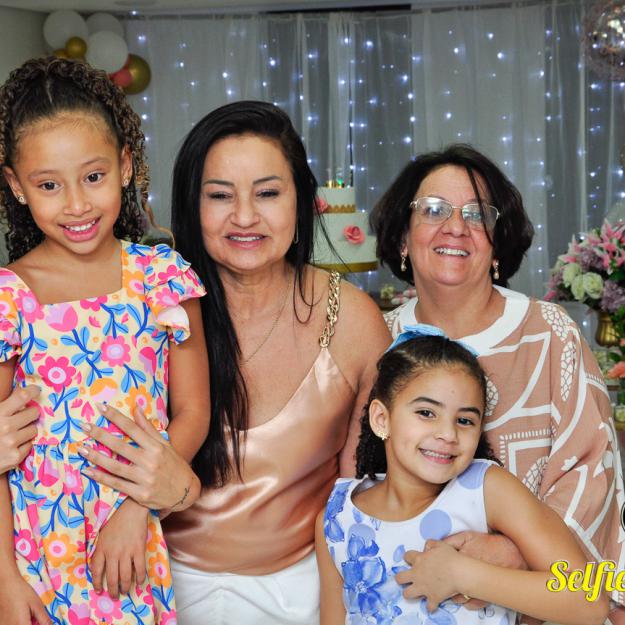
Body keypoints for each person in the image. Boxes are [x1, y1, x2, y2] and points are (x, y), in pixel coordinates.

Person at [60, 100, 391, 624]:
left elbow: (364, 496)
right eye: (219, 195)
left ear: (303, 200)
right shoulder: (143, 307)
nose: (244, 217)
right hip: (148, 584)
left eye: (267, 193)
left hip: (302, 594)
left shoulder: (353, 320)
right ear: (191, 205)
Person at [371, 144, 625, 622]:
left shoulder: (551, 334)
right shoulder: (374, 342)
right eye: (433, 210)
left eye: (477, 214)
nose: (455, 226)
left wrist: (514, 552)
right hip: (404, 597)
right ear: (403, 237)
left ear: (497, 243)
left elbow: (592, 472)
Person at [0, 57, 210, 625]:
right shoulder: (9, 296)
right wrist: (5, 578)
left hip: (128, 546)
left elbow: (192, 412)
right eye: (49, 185)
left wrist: (137, 508)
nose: (76, 204)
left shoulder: (162, 278)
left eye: (93, 177)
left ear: (123, 165)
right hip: (34, 554)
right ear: (17, 186)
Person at [315, 326, 609, 625]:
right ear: (381, 419)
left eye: (465, 420)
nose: (448, 434)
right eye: (426, 413)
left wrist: (462, 575)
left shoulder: (488, 489)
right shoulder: (338, 516)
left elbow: (590, 600)